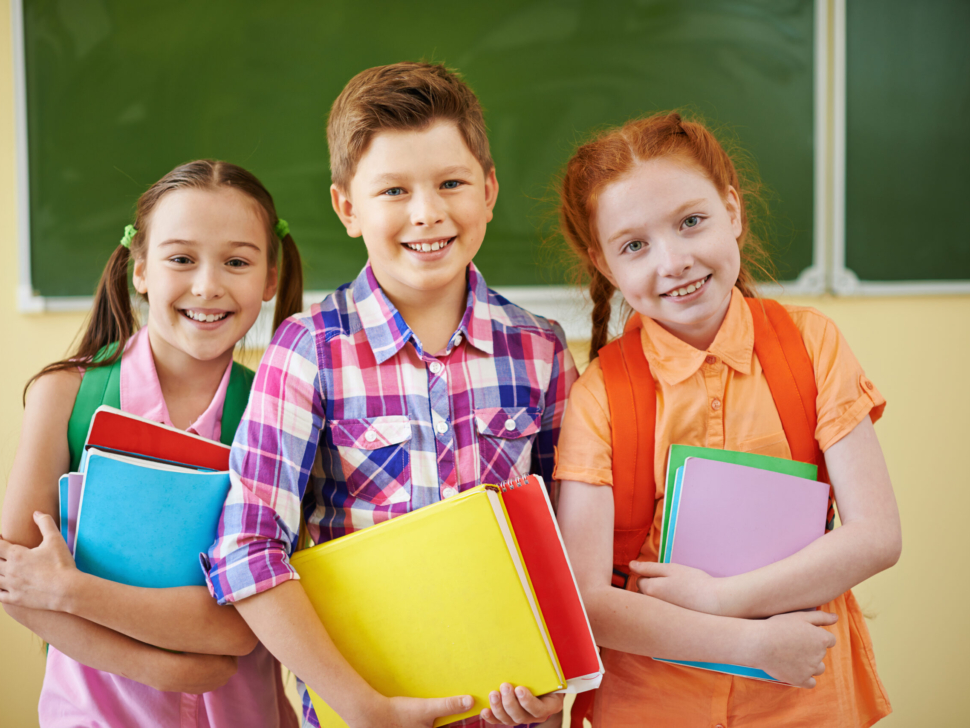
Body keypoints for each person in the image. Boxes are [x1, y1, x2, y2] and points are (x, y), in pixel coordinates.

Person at [203, 62, 576, 728]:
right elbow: (246, 549)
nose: (427, 213)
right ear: (348, 208)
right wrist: (362, 706)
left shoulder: (540, 349)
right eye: (394, 190)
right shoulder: (307, 350)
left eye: (451, 183)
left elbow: (568, 544)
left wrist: (560, 689)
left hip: (509, 707)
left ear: (489, 190)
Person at [553, 112, 901, 727]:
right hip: (651, 705)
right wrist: (748, 642)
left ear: (733, 214)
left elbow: (876, 536)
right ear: (605, 265)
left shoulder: (811, 346)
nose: (675, 260)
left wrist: (722, 599)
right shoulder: (600, 395)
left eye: (691, 222)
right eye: (635, 245)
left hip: (806, 692)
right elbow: (589, 602)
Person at [0, 159, 304, 727]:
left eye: (236, 261)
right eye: (181, 259)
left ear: (269, 279)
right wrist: (163, 668)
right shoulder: (64, 395)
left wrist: (70, 591)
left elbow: (248, 622)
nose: (208, 285)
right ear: (140, 268)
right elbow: (15, 580)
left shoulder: (278, 407)